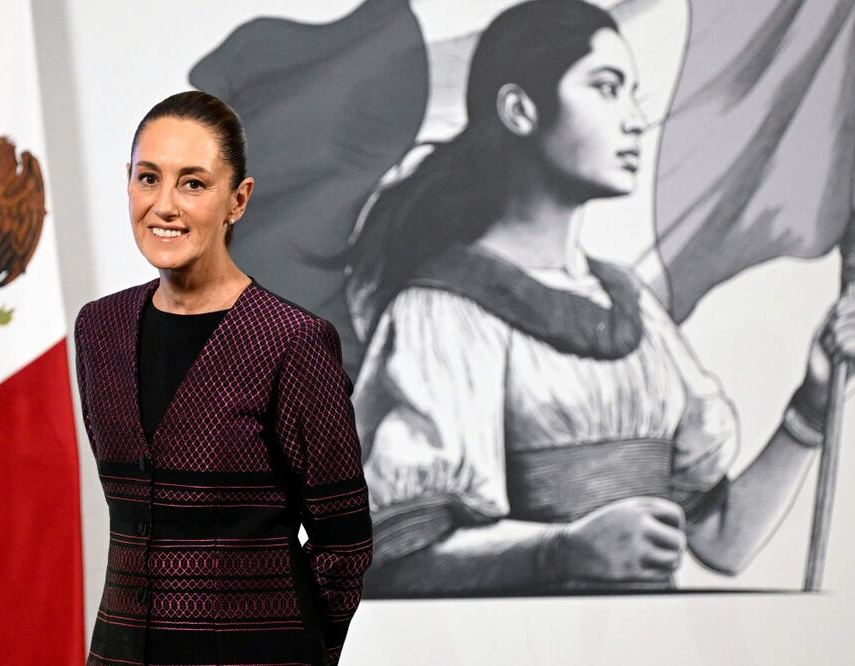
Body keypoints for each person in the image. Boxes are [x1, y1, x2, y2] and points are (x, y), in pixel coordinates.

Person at [348, 0, 855, 596]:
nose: (636, 119)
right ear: (520, 110)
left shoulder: (632, 305)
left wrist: (813, 404)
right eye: (607, 88)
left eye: (633, 92)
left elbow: (723, 541)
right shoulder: (442, 312)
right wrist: (560, 551)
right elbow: (396, 557)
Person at [74, 91, 372, 665]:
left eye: (193, 183)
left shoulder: (292, 340)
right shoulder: (100, 330)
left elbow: (345, 543)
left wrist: (300, 652)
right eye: (147, 178)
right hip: (117, 653)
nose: (164, 205)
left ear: (238, 200)